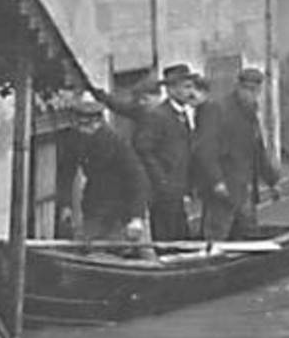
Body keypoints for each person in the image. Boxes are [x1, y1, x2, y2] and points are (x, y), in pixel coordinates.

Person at [194, 66, 281, 241]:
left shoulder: (250, 113)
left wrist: (271, 181)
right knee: (217, 233)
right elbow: (205, 150)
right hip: (223, 185)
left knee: (248, 231)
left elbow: (258, 150)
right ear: (238, 87)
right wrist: (216, 180)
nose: (251, 94)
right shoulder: (217, 109)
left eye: (255, 90)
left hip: (243, 186)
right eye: (247, 89)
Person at [54, 95, 151, 248]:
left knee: (137, 251)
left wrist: (136, 217)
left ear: (98, 122)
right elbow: (66, 172)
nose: (82, 129)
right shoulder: (75, 139)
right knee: (86, 248)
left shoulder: (117, 143)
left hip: (123, 206)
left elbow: (138, 179)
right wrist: (65, 205)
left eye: (86, 125)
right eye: (78, 124)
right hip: (95, 204)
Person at [131, 62, 202, 241]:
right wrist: (162, 180)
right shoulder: (158, 116)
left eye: (191, 86)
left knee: (182, 238)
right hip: (163, 193)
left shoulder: (183, 114)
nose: (190, 92)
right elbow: (143, 149)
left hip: (178, 190)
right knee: (167, 239)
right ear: (171, 90)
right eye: (186, 87)